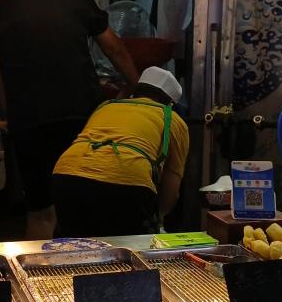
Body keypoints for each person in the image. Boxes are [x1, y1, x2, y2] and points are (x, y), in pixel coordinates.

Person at [0, 0, 138, 239]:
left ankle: (36, 267)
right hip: (78, 117)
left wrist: (12, 118)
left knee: (40, 211)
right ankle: (84, 265)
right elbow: (114, 49)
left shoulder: (2, 10)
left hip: (29, 121)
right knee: (82, 206)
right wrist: (138, 87)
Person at [52, 67, 189, 236]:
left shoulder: (105, 106)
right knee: (131, 249)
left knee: (74, 246)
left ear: (135, 92)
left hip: (66, 174)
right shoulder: (173, 119)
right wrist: (158, 217)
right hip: (128, 180)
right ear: (170, 103)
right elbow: (171, 186)